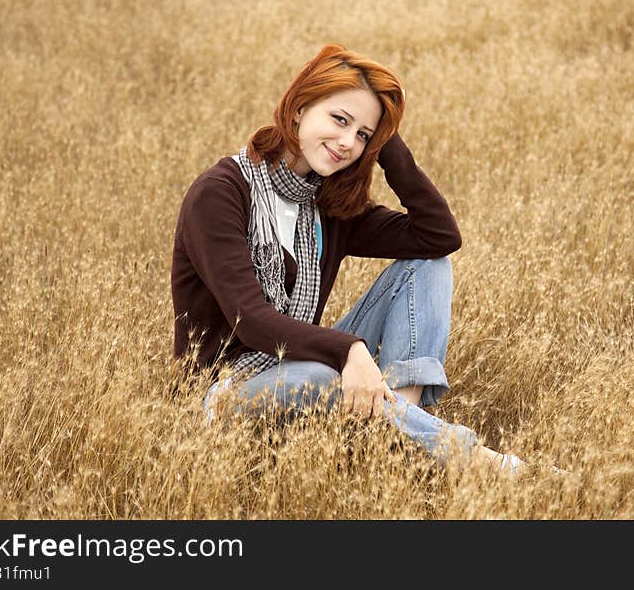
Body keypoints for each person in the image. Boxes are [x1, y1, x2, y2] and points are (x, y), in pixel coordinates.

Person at [171, 43, 527, 477]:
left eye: (362, 134)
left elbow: (437, 237)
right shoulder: (222, 191)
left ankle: (390, 430)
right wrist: (350, 350)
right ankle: (477, 461)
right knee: (323, 379)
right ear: (299, 107)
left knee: (427, 266)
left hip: (298, 363)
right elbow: (251, 319)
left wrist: (386, 142)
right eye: (339, 120)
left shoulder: (328, 202)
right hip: (227, 391)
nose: (346, 143)